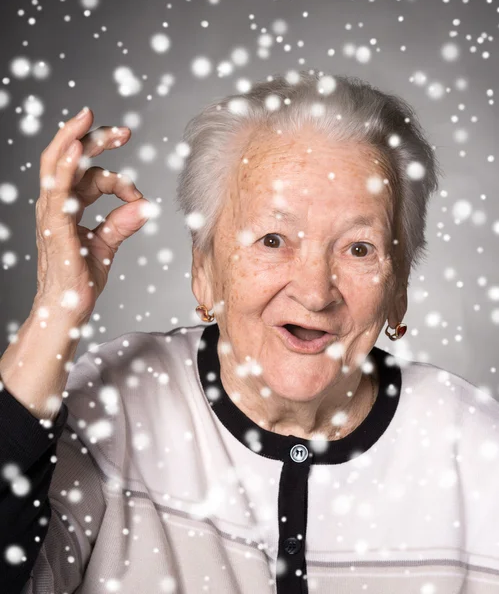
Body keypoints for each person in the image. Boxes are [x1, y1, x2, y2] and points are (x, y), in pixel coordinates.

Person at [0, 69, 497, 594]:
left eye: (358, 248)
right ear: (205, 270)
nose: (315, 292)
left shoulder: (475, 448)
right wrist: (55, 311)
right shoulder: (113, 407)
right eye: (273, 239)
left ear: (398, 288)